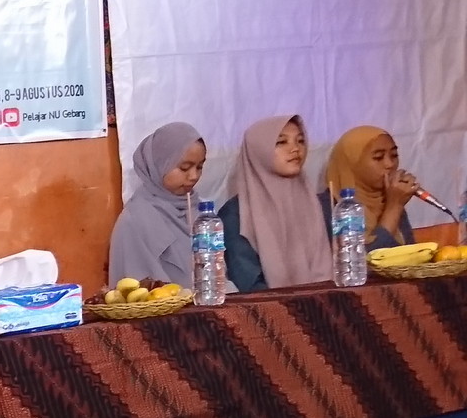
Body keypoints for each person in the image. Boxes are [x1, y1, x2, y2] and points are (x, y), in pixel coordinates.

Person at [219, 116, 334, 292]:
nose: (295, 149)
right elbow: (249, 284)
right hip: (271, 306)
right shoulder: (236, 215)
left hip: (329, 300)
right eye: (281, 142)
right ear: (259, 151)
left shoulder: (319, 205)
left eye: (300, 141)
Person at [107, 123, 205, 288]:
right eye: (185, 168)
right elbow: (140, 291)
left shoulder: (199, 211)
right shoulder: (134, 221)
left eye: (199, 167)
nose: (194, 176)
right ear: (159, 165)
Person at [324, 126, 418, 249]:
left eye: (394, 155)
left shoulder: (390, 197)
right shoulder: (328, 207)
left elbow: (410, 253)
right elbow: (363, 258)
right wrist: (393, 208)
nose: (390, 164)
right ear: (353, 163)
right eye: (378, 157)